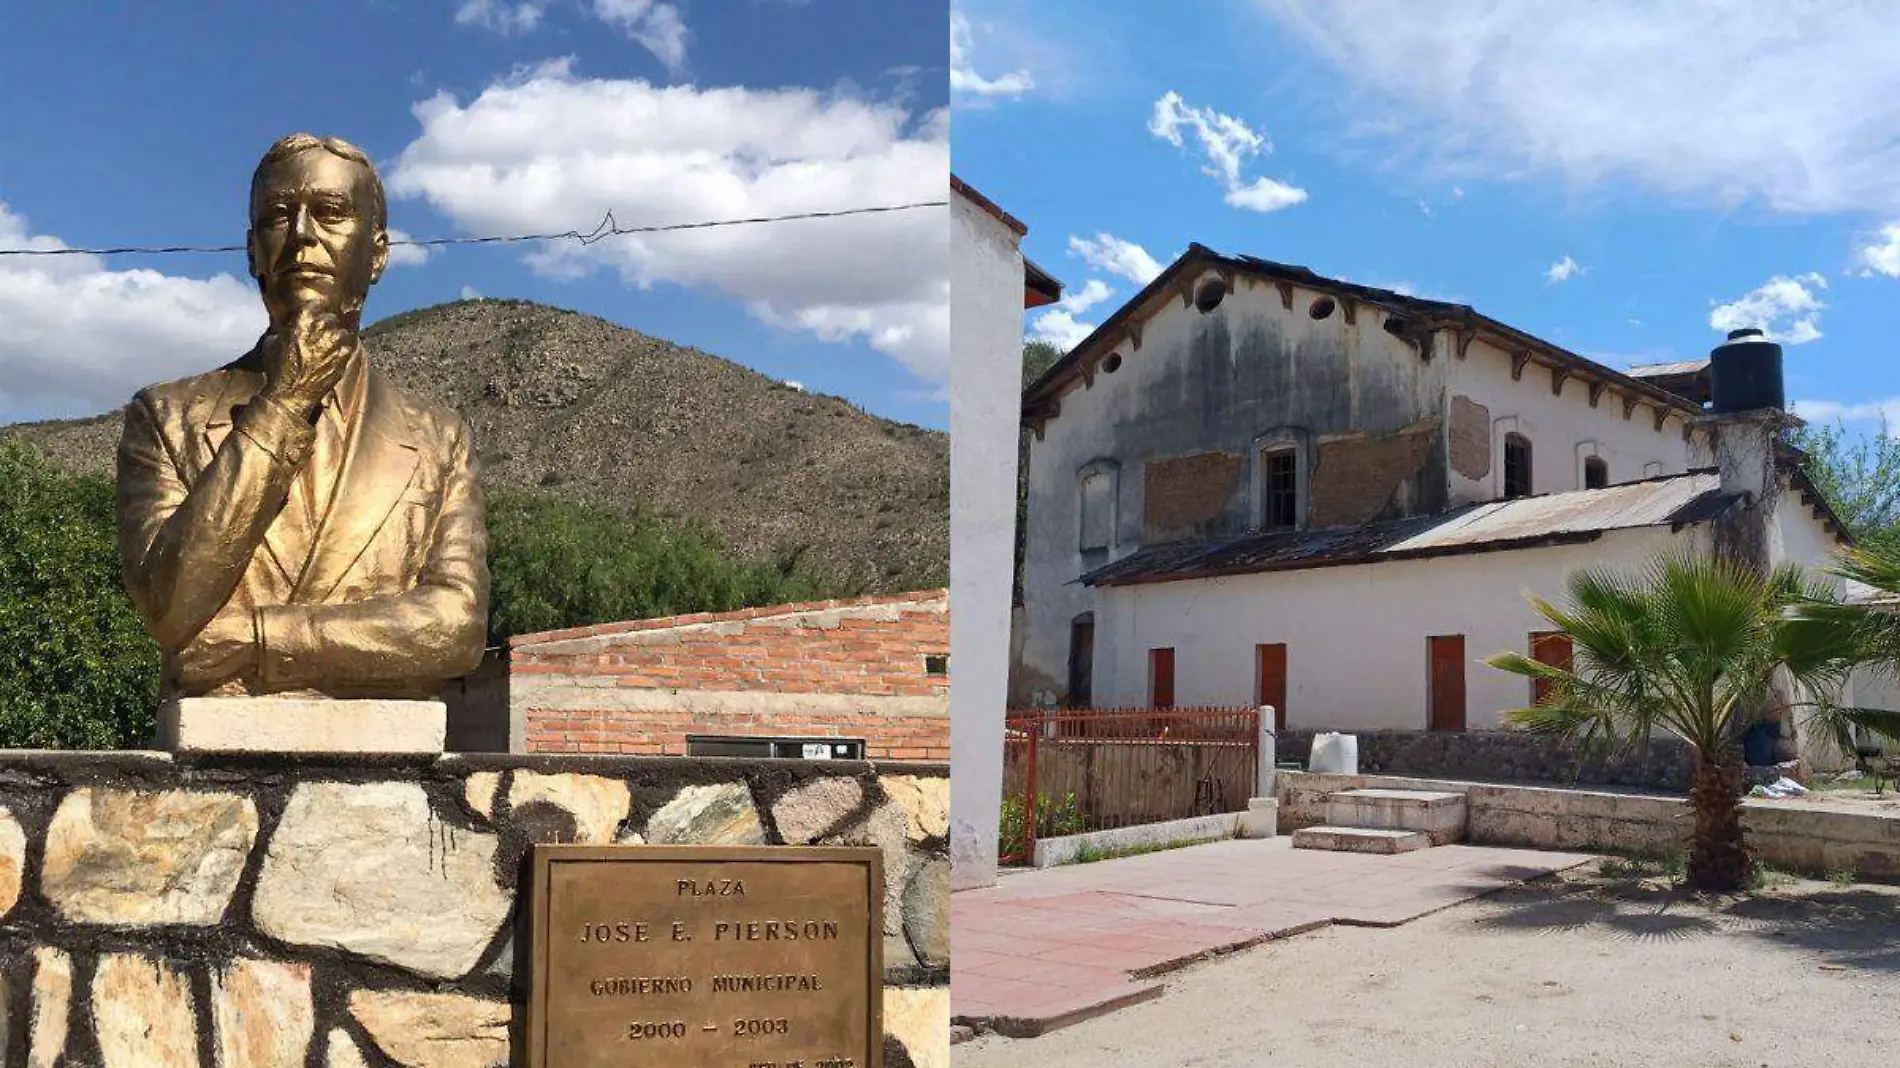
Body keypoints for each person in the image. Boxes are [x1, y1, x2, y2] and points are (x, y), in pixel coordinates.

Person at [116, 133, 488, 700]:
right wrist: (284, 404)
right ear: (252, 251)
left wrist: (262, 639)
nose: (303, 236)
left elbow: (456, 627)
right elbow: (171, 609)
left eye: (332, 213)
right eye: (278, 216)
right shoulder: (167, 418)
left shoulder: (439, 439)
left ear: (378, 252)